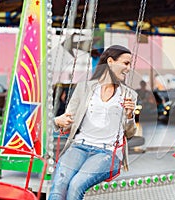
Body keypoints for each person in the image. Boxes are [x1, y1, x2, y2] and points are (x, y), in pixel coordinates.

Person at [48, 45, 137, 200]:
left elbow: (129, 133)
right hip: (78, 146)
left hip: (107, 153)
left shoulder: (129, 94)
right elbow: (68, 120)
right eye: (125, 63)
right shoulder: (84, 88)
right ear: (110, 62)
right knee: (59, 186)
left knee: (76, 185)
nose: (128, 68)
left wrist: (130, 116)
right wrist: (58, 120)